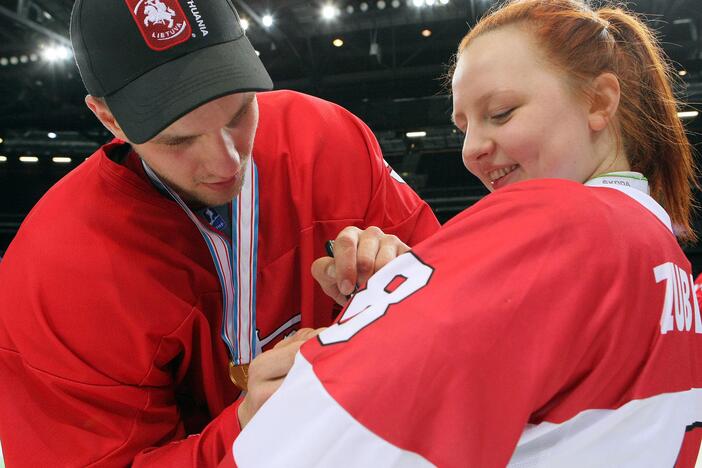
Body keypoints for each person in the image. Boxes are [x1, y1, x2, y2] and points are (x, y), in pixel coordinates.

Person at [232, 1, 702, 466]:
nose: (473, 149)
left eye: (500, 113)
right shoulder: (663, 250)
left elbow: (313, 441)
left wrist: (314, 370)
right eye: (463, 126)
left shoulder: (554, 219)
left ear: (598, 101)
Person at [0, 0, 440, 466]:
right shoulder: (52, 274)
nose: (227, 162)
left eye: (239, 112)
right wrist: (247, 431)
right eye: (179, 139)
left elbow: (461, 315)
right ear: (108, 118)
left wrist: (406, 288)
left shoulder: (329, 141)